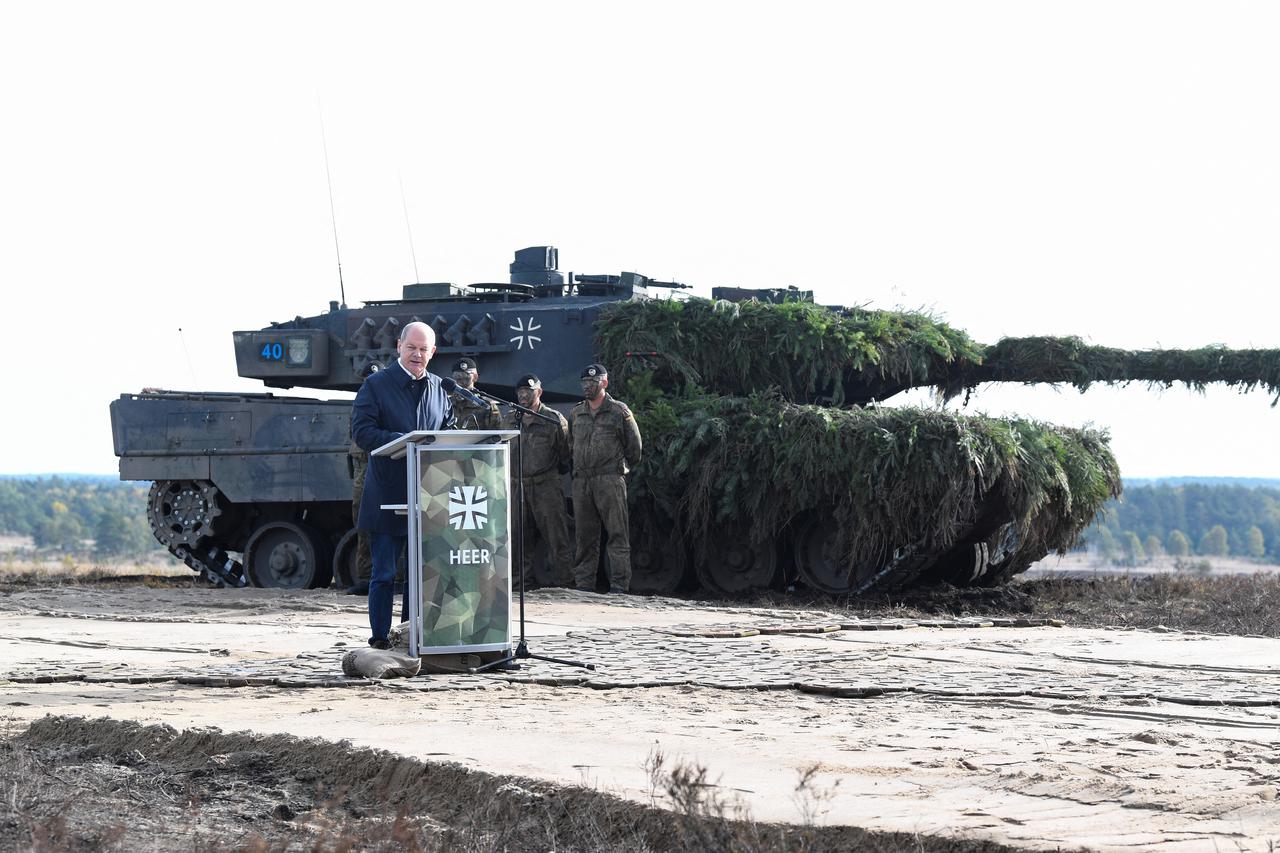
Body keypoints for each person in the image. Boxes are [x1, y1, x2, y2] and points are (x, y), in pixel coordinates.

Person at [351, 321, 455, 649]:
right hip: (388, 493)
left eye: (424, 350)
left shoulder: (440, 388)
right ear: (399, 346)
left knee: (419, 577)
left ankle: (411, 636)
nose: (417, 354)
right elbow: (362, 432)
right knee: (384, 574)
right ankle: (380, 638)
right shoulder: (376, 386)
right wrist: (400, 441)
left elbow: (448, 430)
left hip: (428, 495)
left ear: (433, 353)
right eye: (412, 347)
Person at [568, 363, 642, 593]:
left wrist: (618, 468)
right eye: (585, 383)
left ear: (605, 383)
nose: (588, 386)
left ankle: (619, 586)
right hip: (582, 482)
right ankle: (584, 585)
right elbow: (571, 444)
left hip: (610, 479)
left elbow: (635, 448)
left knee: (617, 534)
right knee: (584, 537)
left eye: (593, 382)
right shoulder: (576, 412)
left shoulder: (619, 411)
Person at [507, 374, 573, 588]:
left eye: (529, 391)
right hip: (517, 485)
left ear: (539, 392)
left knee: (556, 536)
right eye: (520, 392)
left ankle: (564, 582)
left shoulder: (553, 419)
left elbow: (565, 454)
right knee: (517, 537)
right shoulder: (509, 419)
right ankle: (519, 583)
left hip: (546, 485)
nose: (524, 395)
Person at [345, 360, 382, 596]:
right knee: (362, 521)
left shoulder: (388, 403)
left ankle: (397, 576)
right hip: (362, 466)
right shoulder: (360, 403)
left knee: (392, 521)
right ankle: (366, 577)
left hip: (383, 465)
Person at [449, 357, 502, 430]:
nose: (461, 381)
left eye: (466, 377)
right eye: (458, 377)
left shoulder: (486, 405)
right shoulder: (447, 404)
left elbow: (496, 435)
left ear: (475, 377)